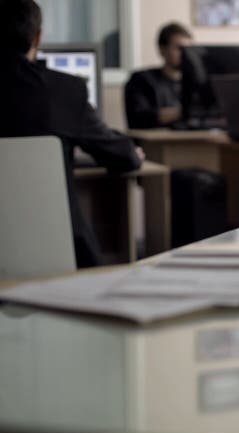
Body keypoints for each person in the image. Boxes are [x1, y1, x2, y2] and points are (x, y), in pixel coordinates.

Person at [0, 0, 143, 268]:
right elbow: (121, 156)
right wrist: (131, 152)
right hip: (54, 247)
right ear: (37, 37)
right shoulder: (63, 91)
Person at [125, 22, 193, 129]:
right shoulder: (141, 80)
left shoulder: (195, 83)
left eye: (189, 49)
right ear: (162, 50)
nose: (185, 54)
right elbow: (139, 118)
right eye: (179, 48)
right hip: (156, 143)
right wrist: (184, 112)